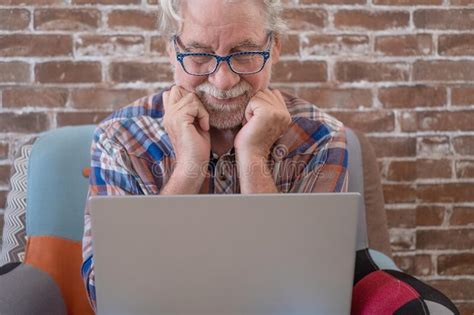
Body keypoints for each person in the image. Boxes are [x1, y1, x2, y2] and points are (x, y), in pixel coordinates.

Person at [81, 0, 458, 313]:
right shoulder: (119, 139)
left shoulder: (321, 138)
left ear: (274, 47)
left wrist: (253, 158)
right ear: (172, 50)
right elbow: (108, 296)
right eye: (198, 55)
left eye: (244, 53)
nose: (223, 79)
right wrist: (187, 169)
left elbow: (312, 293)